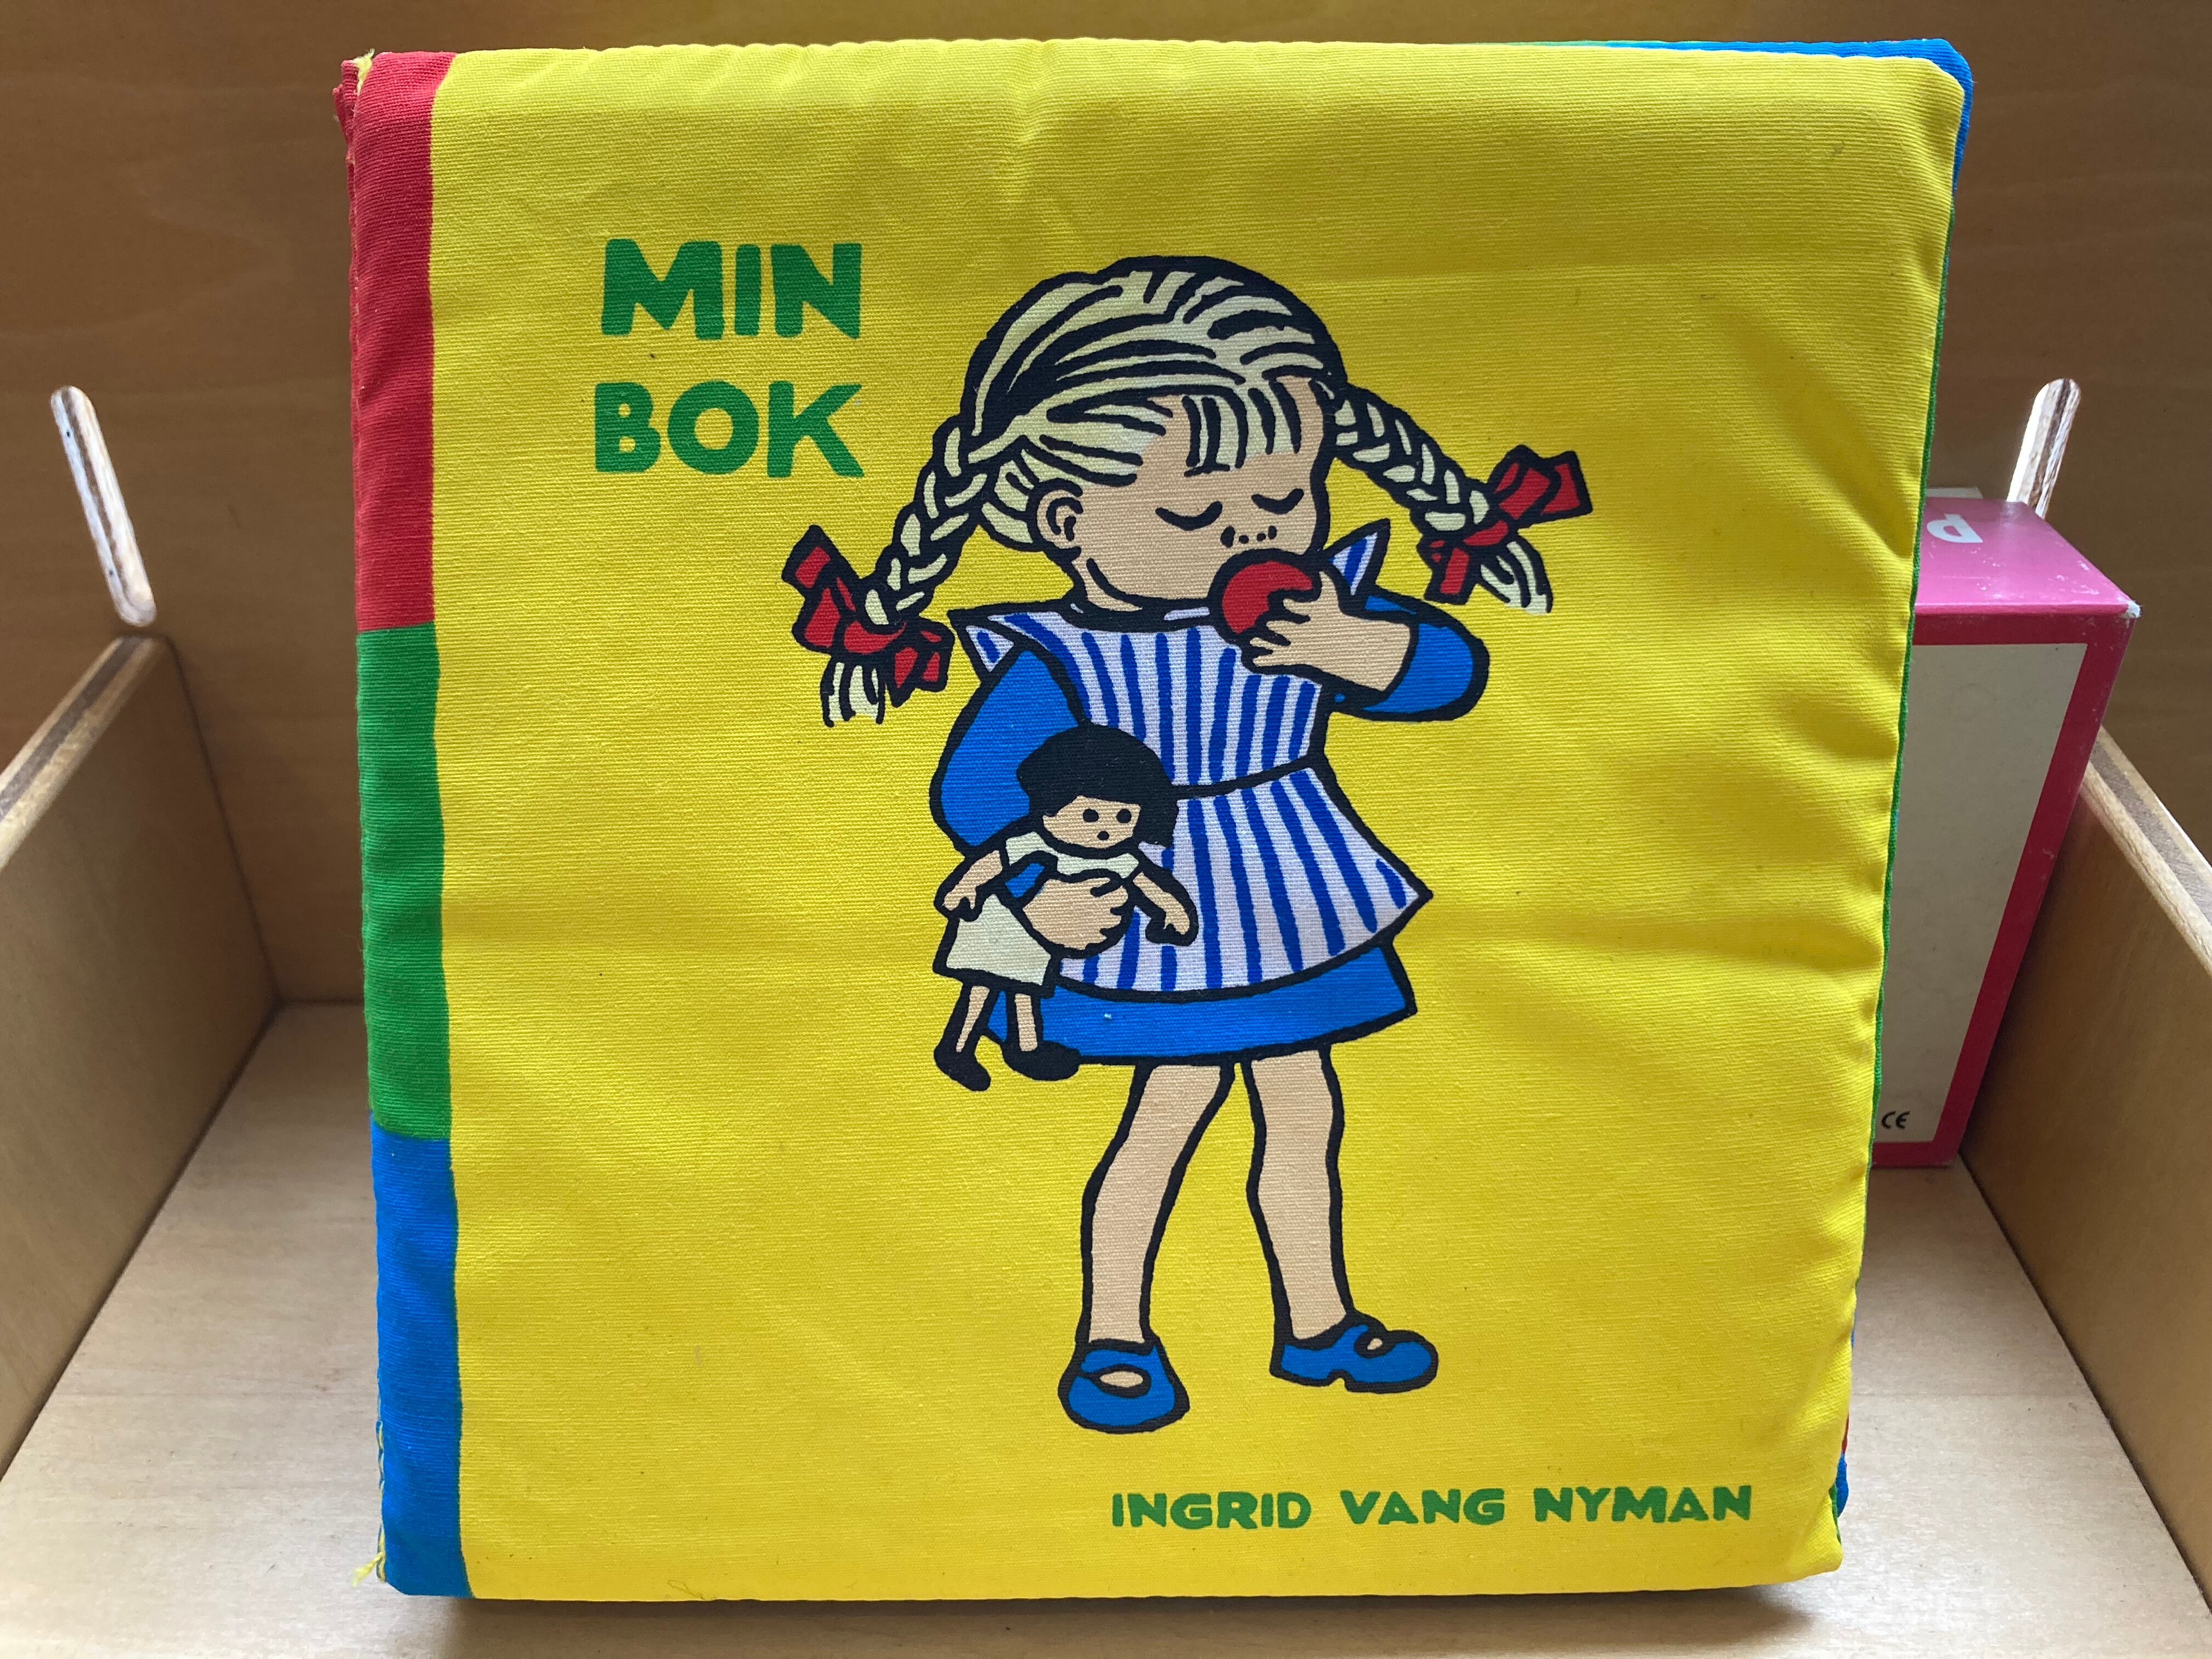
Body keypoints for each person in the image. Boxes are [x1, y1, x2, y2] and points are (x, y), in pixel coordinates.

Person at [792, 256, 1588, 1432]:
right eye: (1191, 515)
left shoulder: (1312, 610)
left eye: (1283, 498)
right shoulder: (1063, 655)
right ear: (1065, 521)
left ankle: (1317, 1321)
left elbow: (1448, 671)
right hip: (1159, 917)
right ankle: (1114, 1334)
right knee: (1166, 1114)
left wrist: (1358, 650)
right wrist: (1039, 898)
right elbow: (979, 792)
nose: (1249, 536)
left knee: (1307, 1112)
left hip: (1297, 895)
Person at [934, 724, 1195, 1091]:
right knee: (983, 985)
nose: (1106, 829)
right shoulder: (1036, 842)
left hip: (1037, 938)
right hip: (998, 920)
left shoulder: (1119, 858)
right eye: (1090, 815)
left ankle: (1026, 1048)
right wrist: (964, 888)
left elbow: (1148, 886)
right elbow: (995, 861)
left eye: (1123, 817)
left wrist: (1175, 913)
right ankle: (958, 1047)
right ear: (1052, 804)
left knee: (1026, 985)